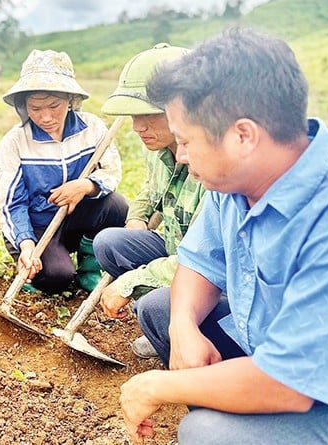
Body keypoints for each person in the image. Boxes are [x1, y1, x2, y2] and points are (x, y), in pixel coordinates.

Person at [119, 28, 328, 444]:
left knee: (204, 432)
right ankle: (239, 414)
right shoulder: (235, 182)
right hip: (273, 354)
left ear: (243, 136)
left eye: (187, 140)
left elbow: (290, 383)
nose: (181, 155)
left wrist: (155, 386)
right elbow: (197, 262)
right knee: (161, 309)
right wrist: (183, 326)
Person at [92, 44, 206, 358]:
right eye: (134, 116)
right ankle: (159, 322)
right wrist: (136, 221)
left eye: (150, 117)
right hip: (173, 246)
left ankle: (173, 329)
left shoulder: (212, 166)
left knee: (155, 305)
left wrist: (129, 282)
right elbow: (148, 190)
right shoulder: (156, 147)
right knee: (110, 242)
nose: (137, 126)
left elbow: (200, 260)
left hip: (204, 273)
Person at [0, 49, 128, 295]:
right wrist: (25, 244)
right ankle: (43, 265)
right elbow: (12, 205)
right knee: (56, 277)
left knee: (117, 207)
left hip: (75, 219)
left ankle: (90, 265)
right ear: (23, 106)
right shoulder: (15, 142)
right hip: (37, 227)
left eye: (54, 106)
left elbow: (111, 171)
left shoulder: (92, 128)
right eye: (35, 108)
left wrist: (86, 186)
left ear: (70, 99)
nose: (45, 117)